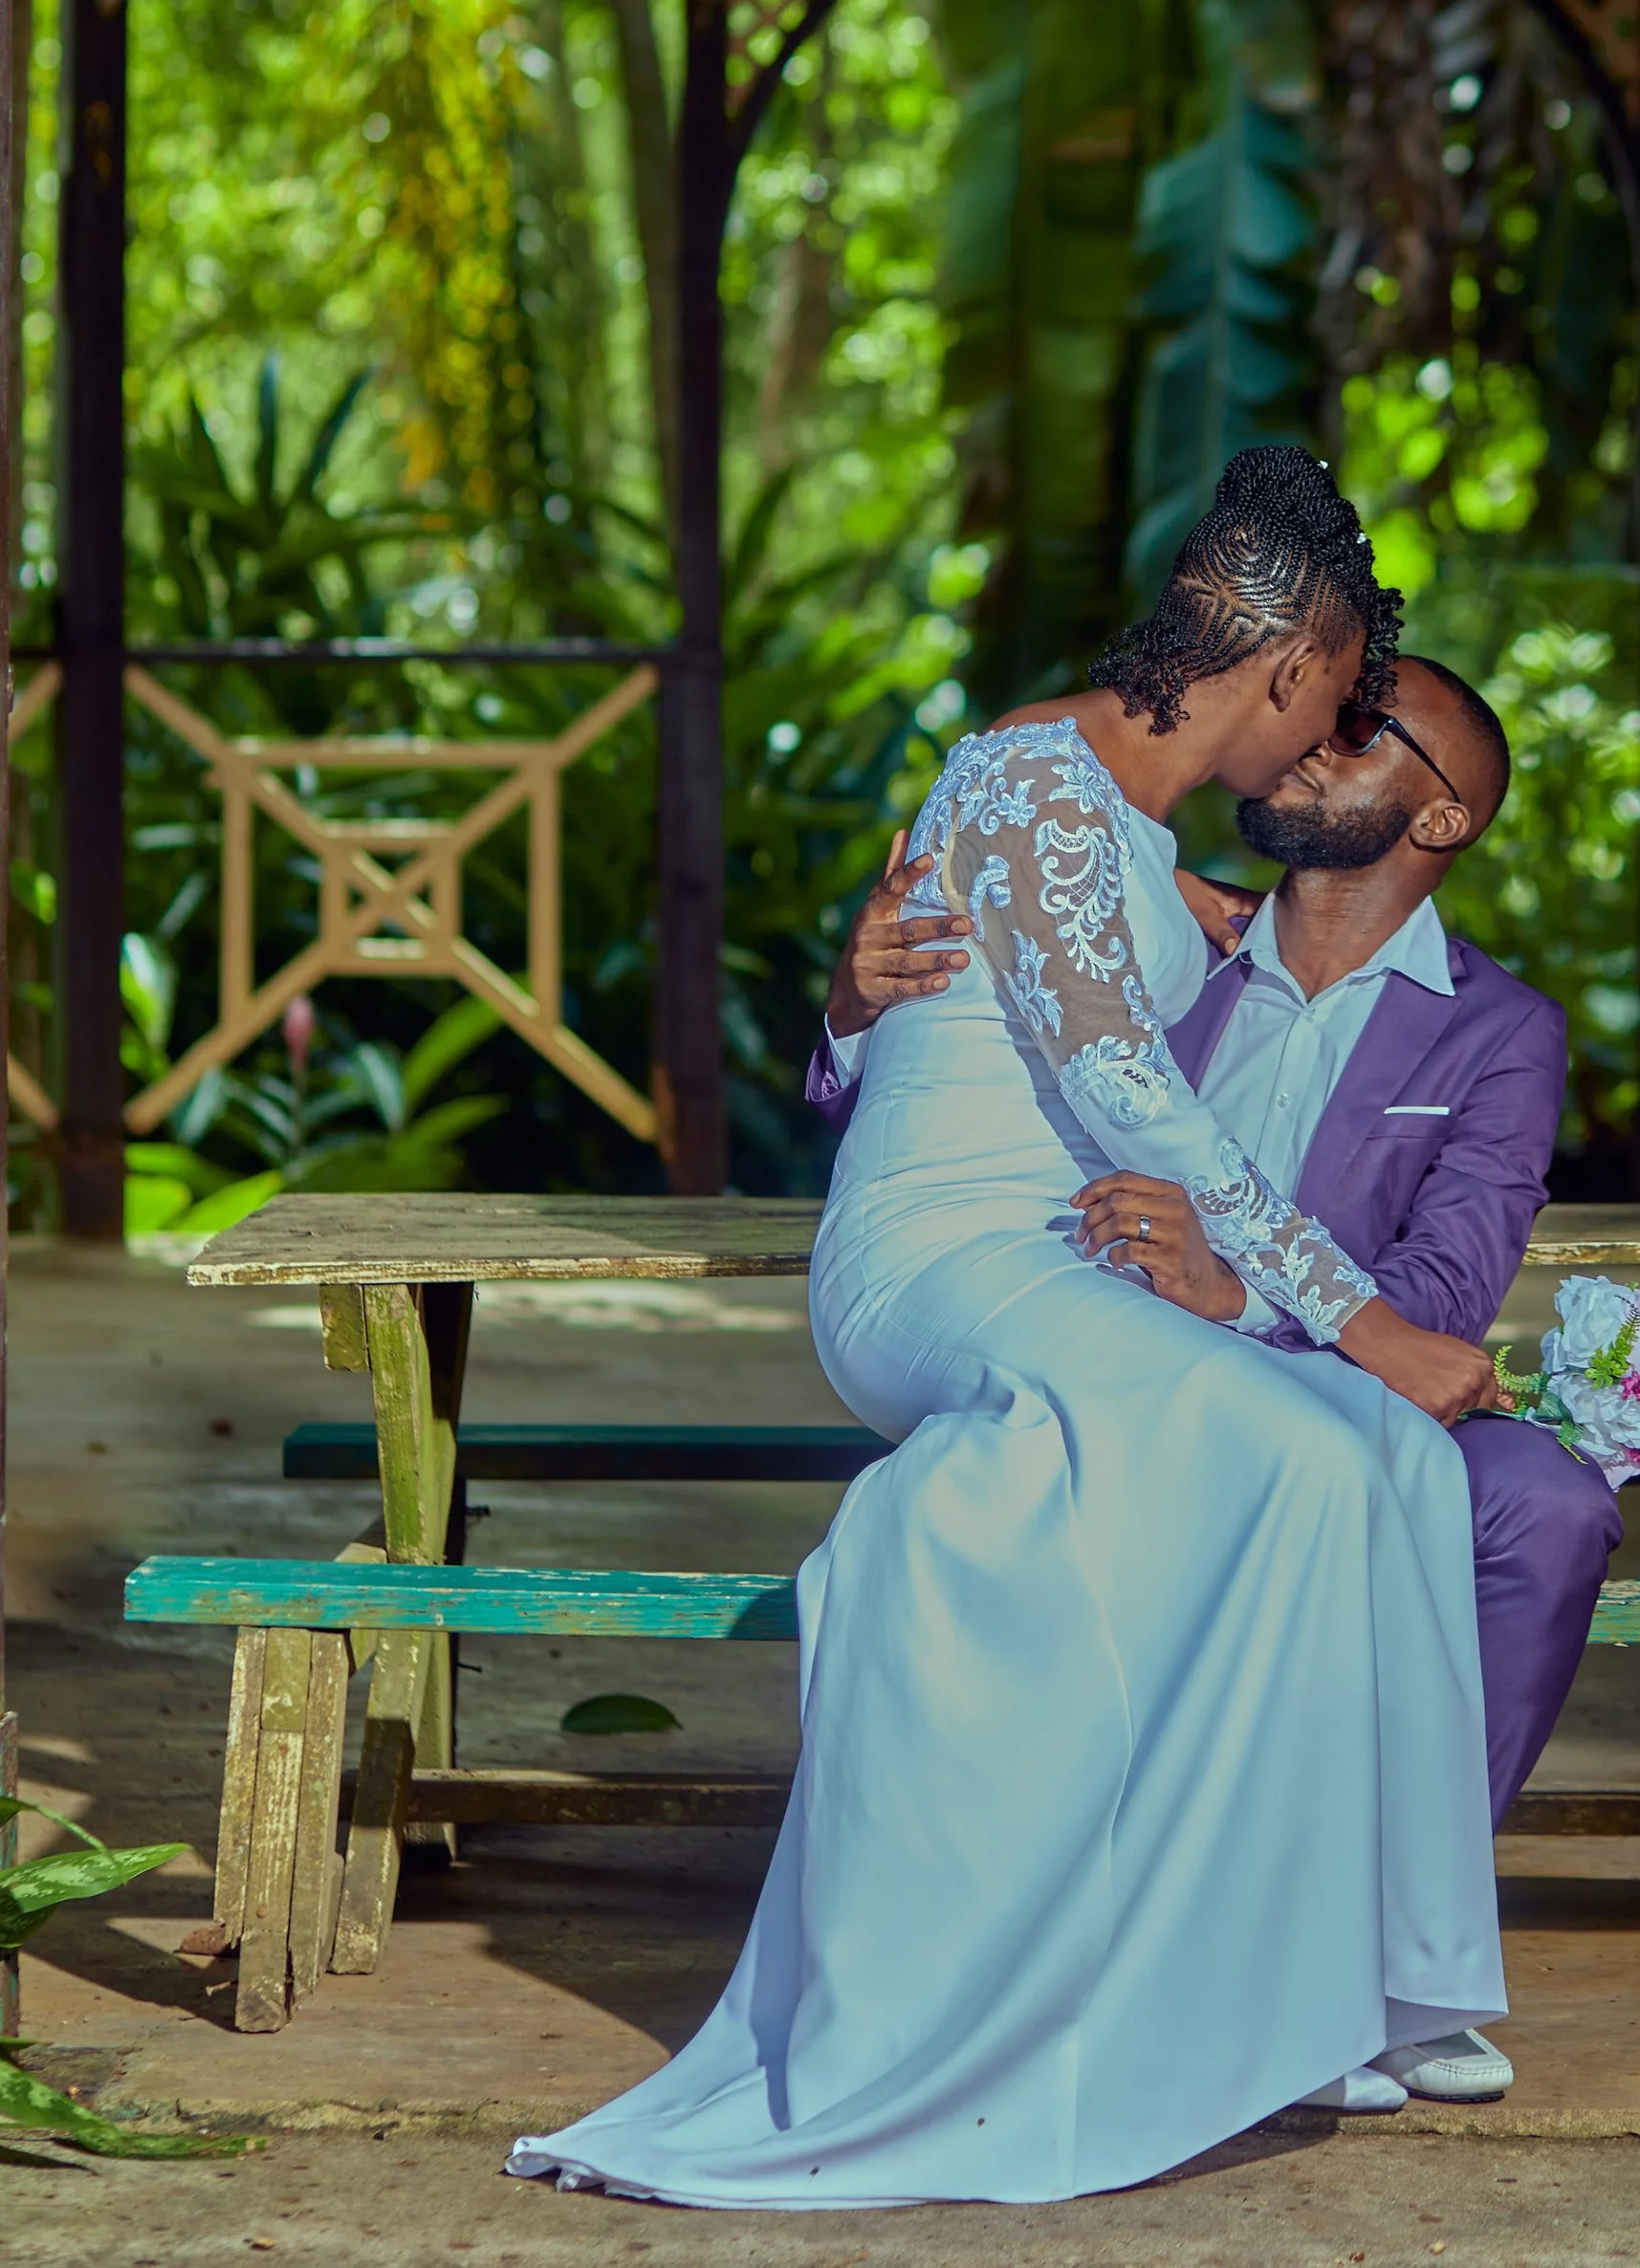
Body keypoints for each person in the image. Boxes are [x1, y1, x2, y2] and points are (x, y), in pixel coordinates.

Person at [510, 450, 1505, 2210]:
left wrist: (1362, 1361)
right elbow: (1128, 1093)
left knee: (1384, 1465)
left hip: (1067, 1262)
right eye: (1336, 704)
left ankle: (1396, 1980)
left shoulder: (1123, 831)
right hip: (934, 1258)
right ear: (1281, 669)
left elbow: (1051, 1003)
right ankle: (1211, 1980)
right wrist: (1359, 1318)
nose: (1321, 748)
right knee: (1311, 1428)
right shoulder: (1027, 781)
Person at [819, 652, 1621, 2108]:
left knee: (1539, 1507)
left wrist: (1239, 1291)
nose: (1321, 737)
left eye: (1369, 729)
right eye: (1329, 706)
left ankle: (1388, 1950)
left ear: (1439, 822)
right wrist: (853, 994)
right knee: (1252, 1470)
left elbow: (1441, 1305)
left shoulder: (1498, 1030)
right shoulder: (1154, 936)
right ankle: (1206, 1949)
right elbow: (958, 1071)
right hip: (1105, 1339)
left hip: (1335, 1359)